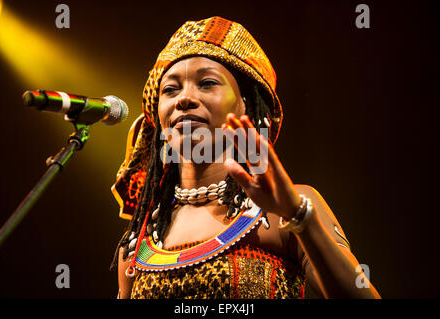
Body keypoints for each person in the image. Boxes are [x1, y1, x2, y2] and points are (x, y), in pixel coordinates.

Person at [110, 16, 381, 299]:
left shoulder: (287, 209)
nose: (184, 98)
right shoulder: (139, 243)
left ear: (245, 106)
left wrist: (297, 215)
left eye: (206, 83)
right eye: (170, 89)